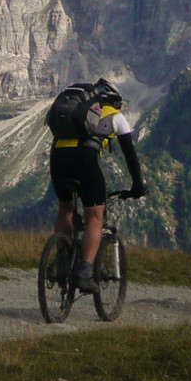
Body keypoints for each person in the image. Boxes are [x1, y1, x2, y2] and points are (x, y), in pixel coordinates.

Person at [48, 78, 145, 293]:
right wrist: (138, 185)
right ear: (115, 101)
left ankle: (60, 264)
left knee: (66, 209)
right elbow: (131, 157)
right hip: (84, 160)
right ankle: (83, 273)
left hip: (57, 157)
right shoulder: (116, 116)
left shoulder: (79, 112)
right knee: (95, 217)